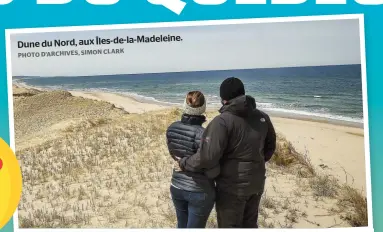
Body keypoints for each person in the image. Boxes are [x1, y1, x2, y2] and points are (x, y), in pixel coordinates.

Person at [178, 77, 277, 228]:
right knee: (250, 224)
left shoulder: (222, 121)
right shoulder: (263, 117)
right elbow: (270, 148)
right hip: (256, 183)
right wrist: (254, 164)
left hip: (232, 188)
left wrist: (185, 162)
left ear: (224, 99)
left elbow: (207, 157)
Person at [166, 91, 219, 228]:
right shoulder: (203, 134)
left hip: (177, 184)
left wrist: (182, 163)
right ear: (203, 109)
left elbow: (174, 154)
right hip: (199, 190)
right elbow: (207, 161)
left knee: (181, 226)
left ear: (185, 105)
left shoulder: (172, 128)